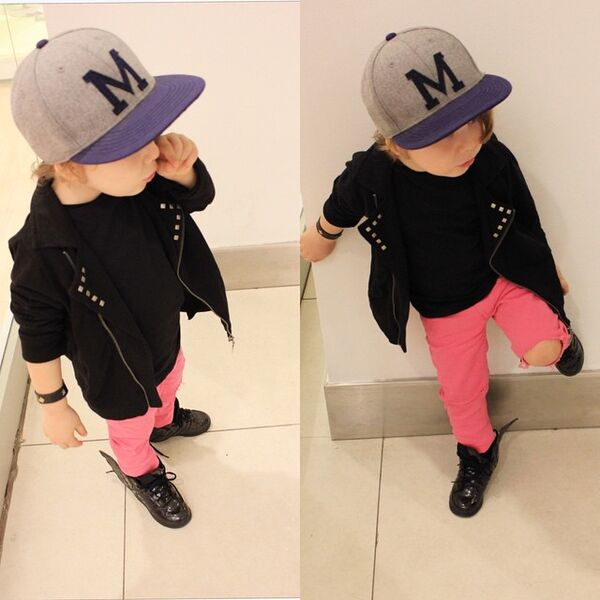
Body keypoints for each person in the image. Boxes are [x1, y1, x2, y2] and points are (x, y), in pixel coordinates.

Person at [300, 27, 584, 517]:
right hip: (444, 309)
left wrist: (545, 265)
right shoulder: (374, 174)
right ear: (396, 144)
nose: (468, 142)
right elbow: (341, 202)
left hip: (502, 280)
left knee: (543, 348)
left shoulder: (490, 157)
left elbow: (523, 213)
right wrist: (322, 235)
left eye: (475, 121)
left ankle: (562, 338)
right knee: (460, 392)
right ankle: (477, 451)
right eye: (444, 134)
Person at [9, 28, 233, 528]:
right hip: (113, 367)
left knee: (169, 379)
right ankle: (140, 470)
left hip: (162, 334)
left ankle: (165, 420)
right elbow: (37, 331)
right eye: (134, 144)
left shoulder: (141, 184)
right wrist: (53, 404)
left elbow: (197, 198)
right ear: (70, 165)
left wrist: (183, 171)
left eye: (153, 132)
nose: (153, 150)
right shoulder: (43, 248)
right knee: (131, 425)